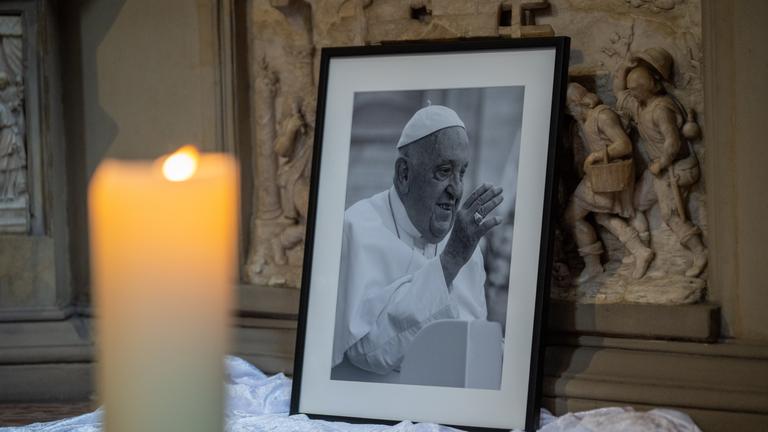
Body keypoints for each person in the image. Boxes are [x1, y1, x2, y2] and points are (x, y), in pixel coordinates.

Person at [332, 105, 504, 375]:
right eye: (444, 171)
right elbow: (367, 350)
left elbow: (471, 342)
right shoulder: (355, 228)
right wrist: (449, 263)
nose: (456, 189)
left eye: (462, 172)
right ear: (404, 174)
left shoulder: (467, 245)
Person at [613, 48, 707, 278]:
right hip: (659, 168)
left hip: (678, 168)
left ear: (651, 86)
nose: (632, 94)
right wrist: (625, 66)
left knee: (671, 215)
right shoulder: (639, 104)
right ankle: (643, 251)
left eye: (636, 90)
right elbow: (618, 91)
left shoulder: (661, 108)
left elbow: (673, 143)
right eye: (632, 90)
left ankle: (700, 252)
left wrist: (661, 164)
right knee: (635, 203)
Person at [564, 83, 653, 282]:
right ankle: (639, 251)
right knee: (601, 218)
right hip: (601, 175)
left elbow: (624, 144)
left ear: (578, 104)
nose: (571, 113)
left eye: (570, 108)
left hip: (610, 175)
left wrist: (598, 155)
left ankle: (594, 264)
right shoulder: (584, 120)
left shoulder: (602, 116)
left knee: (572, 216)